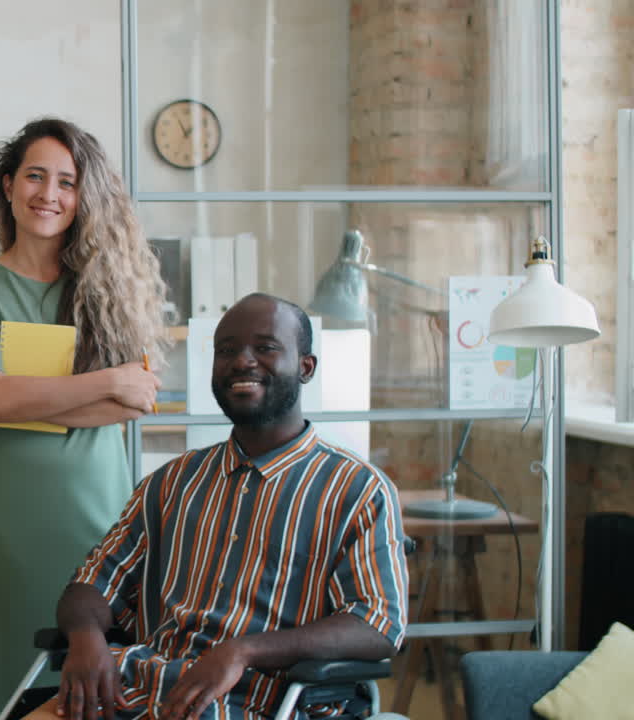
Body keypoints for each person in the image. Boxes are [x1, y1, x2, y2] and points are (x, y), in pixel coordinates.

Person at [28, 293, 408, 720]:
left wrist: (243, 651)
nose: (242, 361)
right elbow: (92, 584)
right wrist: (84, 639)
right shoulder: (170, 483)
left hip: (263, 705)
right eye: (226, 350)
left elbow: (377, 624)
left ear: (305, 367)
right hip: (133, 694)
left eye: (265, 347)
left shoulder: (357, 490)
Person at [0, 117, 167, 719]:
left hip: (95, 511)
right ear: (9, 185)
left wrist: (13, 396)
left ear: (84, 195)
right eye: (35, 177)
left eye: (67, 182)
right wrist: (106, 381)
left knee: (92, 673)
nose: (49, 194)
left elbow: (136, 401)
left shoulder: (110, 287)